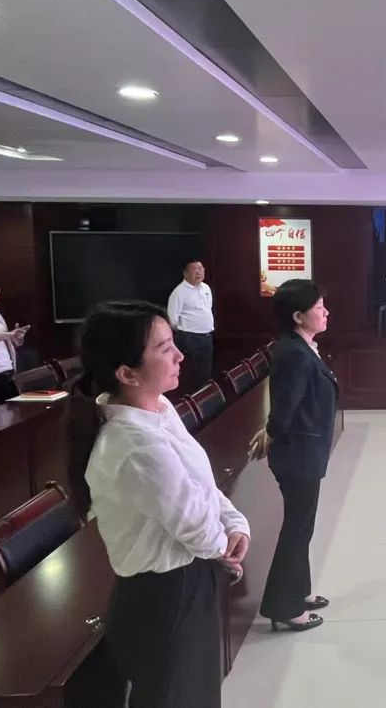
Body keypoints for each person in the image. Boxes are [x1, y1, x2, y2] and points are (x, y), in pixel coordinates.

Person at [67, 301, 249, 707]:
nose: (180, 355)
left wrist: (235, 522)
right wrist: (223, 547)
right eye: (165, 348)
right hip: (165, 597)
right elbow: (194, 526)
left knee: (198, 692)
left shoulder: (159, 408)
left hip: (189, 577)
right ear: (127, 373)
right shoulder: (134, 444)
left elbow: (198, 483)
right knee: (175, 696)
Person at [260, 280, 338, 632]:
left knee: (302, 527)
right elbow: (284, 408)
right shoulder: (293, 353)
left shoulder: (302, 347)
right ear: (297, 316)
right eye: (318, 308)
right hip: (298, 456)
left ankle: (300, 592)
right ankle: (284, 606)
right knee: (296, 529)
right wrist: (270, 433)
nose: (325, 312)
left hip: (306, 452)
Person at [168, 260, 214, 394]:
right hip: (189, 338)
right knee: (191, 375)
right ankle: (190, 401)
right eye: (194, 269)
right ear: (185, 273)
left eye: (201, 268)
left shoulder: (206, 288)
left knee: (205, 373)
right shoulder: (179, 292)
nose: (199, 272)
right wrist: (186, 332)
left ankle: (204, 399)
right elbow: (172, 319)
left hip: (207, 337)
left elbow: (208, 308)